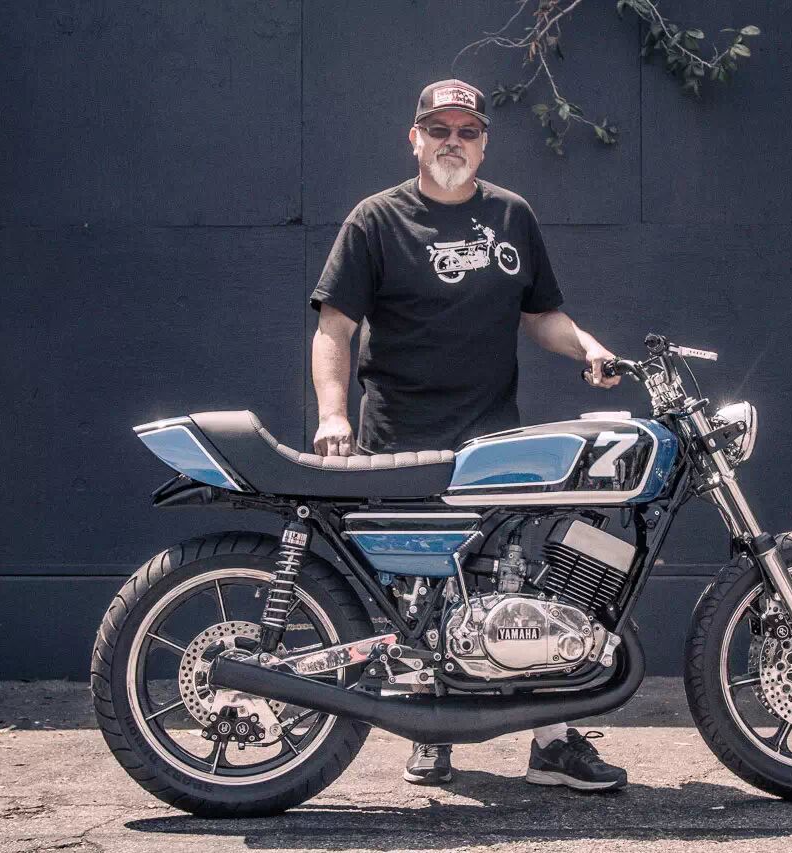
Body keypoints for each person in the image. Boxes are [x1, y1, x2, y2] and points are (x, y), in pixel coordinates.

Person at [307, 79, 627, 792]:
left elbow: (541, 315)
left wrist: (587, 346)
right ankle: (430, 733)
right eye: (439, 129)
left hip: (492, 444)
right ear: (414, 138)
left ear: (483, 144)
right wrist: (333, 414)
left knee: (520, 585)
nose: (453, 141)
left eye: (467, 131)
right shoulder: (375, 220)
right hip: (399, 442)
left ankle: (551, 741)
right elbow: (335, 327)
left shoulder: (512, 215)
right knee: (417, 599)